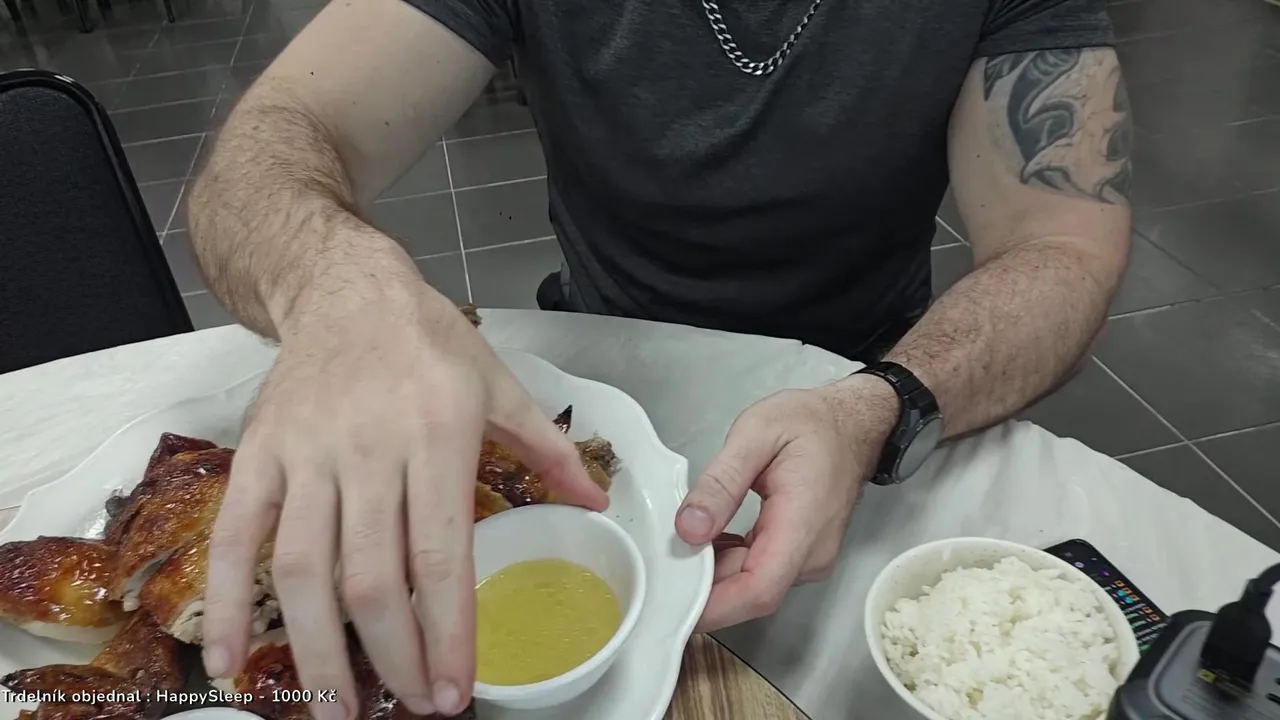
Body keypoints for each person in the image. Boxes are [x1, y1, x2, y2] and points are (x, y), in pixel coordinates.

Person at [186, 0, 1133, 715]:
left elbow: (1065, 245)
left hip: (873, 382)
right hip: (599, 385)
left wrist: (876, 407)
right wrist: (334, 281)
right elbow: (278, 134)